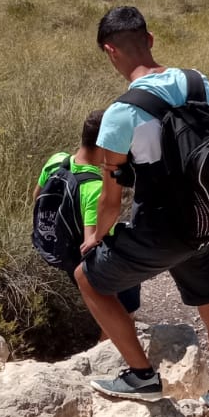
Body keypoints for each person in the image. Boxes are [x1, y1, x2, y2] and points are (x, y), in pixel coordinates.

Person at [74, 6, 209, 417]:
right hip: (206, 216)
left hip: (162, 229)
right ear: (150, 40)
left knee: (88, 279)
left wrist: (94, 238)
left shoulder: (121, 113)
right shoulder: (199, 83)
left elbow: (112, 201)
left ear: (110, 51)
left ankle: (141, 375)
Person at [31, 109, 140, 315]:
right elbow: (89, 244)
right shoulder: (94, 187)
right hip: (75, 258)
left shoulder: (56, 160)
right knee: (127, 292)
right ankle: (109, 338)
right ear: (104, 144)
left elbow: (36, 197)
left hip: (50, 244)